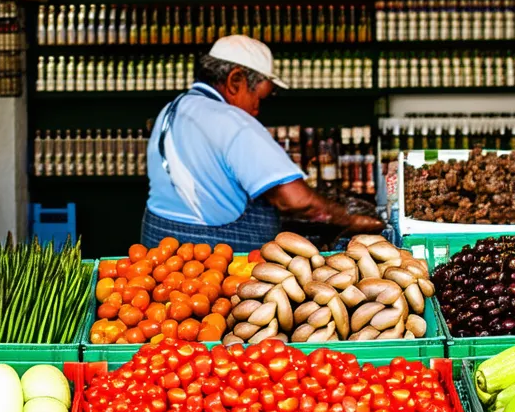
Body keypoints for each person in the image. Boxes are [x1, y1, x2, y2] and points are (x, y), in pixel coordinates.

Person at [142, 35, 385, 251]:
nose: (257, 110)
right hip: (214, 261)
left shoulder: (173, 109)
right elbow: (296, 200)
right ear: (235, 80)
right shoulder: (232, 121)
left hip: (158, 249)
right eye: (258, 98)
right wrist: (349, 219)